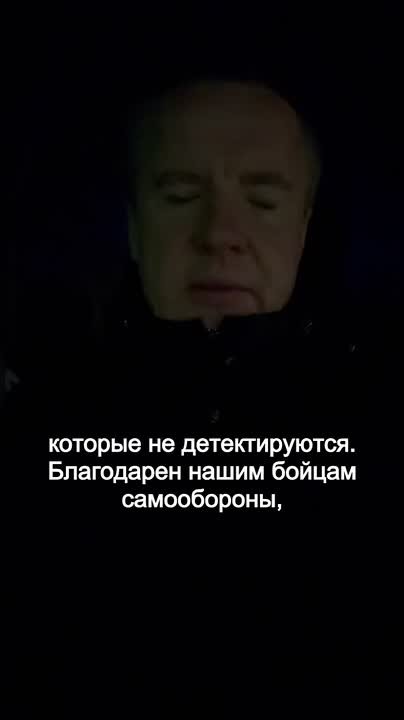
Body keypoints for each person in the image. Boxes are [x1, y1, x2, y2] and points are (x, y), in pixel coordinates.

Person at [6, 66, 401, 717]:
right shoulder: (34, 433)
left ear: (303, 229)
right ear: (134, 228)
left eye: (263, 201)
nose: (219, 234)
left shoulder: (382, 428)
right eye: (181, 195)